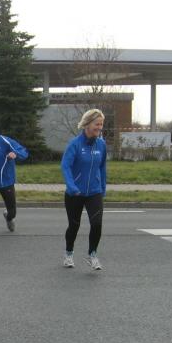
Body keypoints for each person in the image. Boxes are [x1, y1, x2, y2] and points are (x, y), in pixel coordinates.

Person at [60, 108, 107, 270]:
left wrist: (103, 187)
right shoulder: (75, 144)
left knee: (97, 224)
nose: (99, 127)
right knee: (74, 226)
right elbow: (65, 166)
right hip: (75, 193)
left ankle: (92, 254)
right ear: (87, 124)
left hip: (94, 192)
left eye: (101, 124)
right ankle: (68, 253)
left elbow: (102, 167)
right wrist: (71, 186)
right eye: (97, 124)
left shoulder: (101, 144)